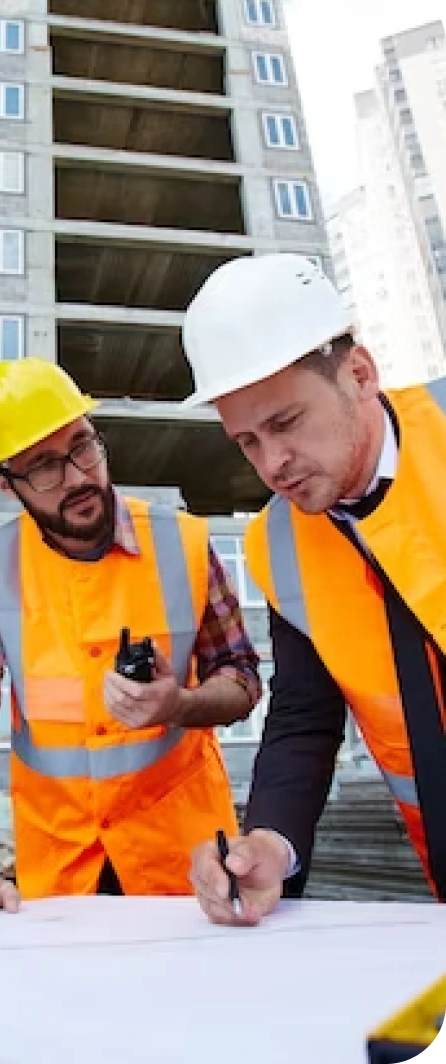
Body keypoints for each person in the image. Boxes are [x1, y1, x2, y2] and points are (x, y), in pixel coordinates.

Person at [0, 356, 261, 921]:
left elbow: (241, 679)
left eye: (82, 446)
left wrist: (182, 704)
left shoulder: (185, 544)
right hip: (61, 875)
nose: (77, 477)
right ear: (5, 483)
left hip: (189, 871)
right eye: (44, 467)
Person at [181, 252, 446, 924]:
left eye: (285, 424)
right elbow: (303, 713)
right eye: (246, 441)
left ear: (359, 374)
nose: (272, 465)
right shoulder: (278, 546)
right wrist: (270, 841)